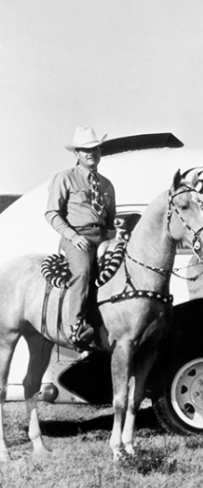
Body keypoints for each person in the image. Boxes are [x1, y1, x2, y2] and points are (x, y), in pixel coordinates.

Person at [45, 126, 116, 350]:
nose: (91, 153)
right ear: (76, 153)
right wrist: (73, 236)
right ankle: (75, 327)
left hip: (102, 236)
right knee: (84, 271)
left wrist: (115, 238)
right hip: (77, 235)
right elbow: (51, 214)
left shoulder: (106, 184)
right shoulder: (64, 179)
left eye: (95, 149)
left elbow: (111, 220)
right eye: (85, 150)